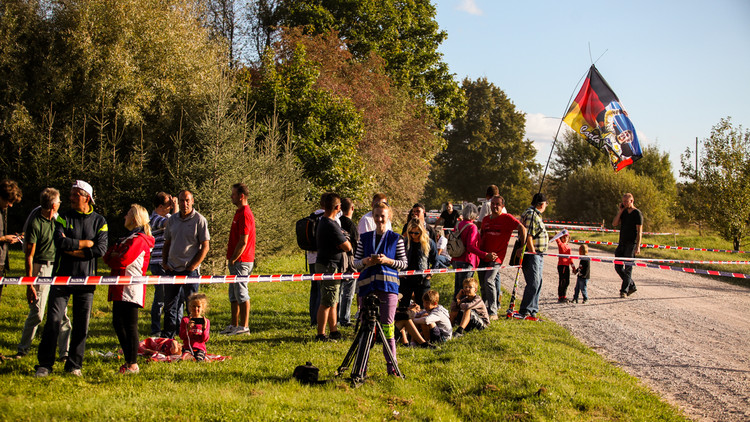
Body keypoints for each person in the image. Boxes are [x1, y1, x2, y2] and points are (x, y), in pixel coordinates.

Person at [35, 180, 108, 377]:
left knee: (81, 325)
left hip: (86, 282)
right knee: (53, 321)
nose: (71, 198)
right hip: (61, 279)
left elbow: (100, 249)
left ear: (87, 197)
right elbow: (59, 242)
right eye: (71, 194)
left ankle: (74, 365)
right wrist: (85, 243)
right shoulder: (63, 217)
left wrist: (74, 250)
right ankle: (45, 365)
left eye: (75, 194)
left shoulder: (100, 221)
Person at [12, 188, 71, 361]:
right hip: (40, 267)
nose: (61, 204)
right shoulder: (35, 222)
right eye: (59, 201)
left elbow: (68, 230)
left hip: (57, 268)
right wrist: (29, 283)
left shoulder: (58, 218)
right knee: (37, 312)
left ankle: (64, 353)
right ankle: (23, 350)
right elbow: (29, 256)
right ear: (53, 205)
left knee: (63, 313)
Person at [353, 202, 407, 375]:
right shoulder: (365, 238)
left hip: (388, 288)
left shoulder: (396, 238)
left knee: (388, 328)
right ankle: (361, 368)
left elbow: (404, 264)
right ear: (373, 216)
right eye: (376, 216)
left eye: (382, 216)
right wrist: (365, 262)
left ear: (388, 216)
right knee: (365, 329)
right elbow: (355, 264)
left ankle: (392, 368)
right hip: (367, 288)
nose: (379, 219)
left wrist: (388, 261)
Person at [103, 204, 155, 375]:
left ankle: (132, 364)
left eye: (127, 214)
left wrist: (116, 256)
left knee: (130, 326)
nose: (124, 217)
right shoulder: (125, 238)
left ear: (134, 218)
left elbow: (123, 259)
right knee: (118, 324)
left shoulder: (139, 239)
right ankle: (129, 361)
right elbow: (107, 257)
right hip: (119, 287)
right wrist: (115, 256)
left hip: (131, 288)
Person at [161, 190, 210, 339]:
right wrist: (164, 262)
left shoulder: (200, 220)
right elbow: (167, 243)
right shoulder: (172, 220)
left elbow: (205, 246)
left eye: (187, 200)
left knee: (193, 307)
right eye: (182, 200)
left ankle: (193, 336)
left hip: (190, 272)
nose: (185, 203)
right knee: (170, 306)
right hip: (172, 269)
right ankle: (169, 337)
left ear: (193, 201)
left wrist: (193, 266)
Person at [479, 195, 526, 319]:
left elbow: (522, 228)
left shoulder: (507, 218)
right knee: (483, 285)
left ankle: (493, 311)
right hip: (483, 255)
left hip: (497, 257)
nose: (494, 206)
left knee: (489, 281)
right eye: (492, 204)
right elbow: (481, 235)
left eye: (497, 204)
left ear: (502, 206)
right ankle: (485, 308)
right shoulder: (485, 219)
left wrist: (522, 246)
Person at [314, 193, 351, 341]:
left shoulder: (325, 221)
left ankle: (334, 331)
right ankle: (321, 334)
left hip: (329, 265)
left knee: (333, 301)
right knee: (326, 302)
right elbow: (347, 246)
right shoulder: (330, 224)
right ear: (337, 207)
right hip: (329, 266)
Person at [220, 183, 256, 336]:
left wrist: (234, 257)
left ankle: (244, 326)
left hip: (242, 260)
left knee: (241, 292)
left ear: (241, 196)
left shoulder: (245, 214)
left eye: (233, 194)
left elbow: (243, 240)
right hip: (235, 260)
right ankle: (234, 325)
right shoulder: (238, 212)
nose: (231, 197)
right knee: (233, 293)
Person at [451, 203, 493, 298]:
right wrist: (484, 254)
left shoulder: (458, 225)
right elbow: (470, 246)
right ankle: (463, 310)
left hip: (457, 259)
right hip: (467, 260)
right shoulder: (472, 227)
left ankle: (455, 308)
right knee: (466, 290)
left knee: (458, 288)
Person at [517, 193, 549, 320]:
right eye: (546, 204)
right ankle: (525, 310)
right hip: (533, 254)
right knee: (533, 282)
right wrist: (532, 252)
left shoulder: (536, 215)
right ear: (542, 204)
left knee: (538, 282)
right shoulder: (531, 214)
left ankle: (533, 310)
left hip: (539, 254)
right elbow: (528, 236)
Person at [148, 191, 174, 337]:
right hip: (158, 262)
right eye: (168, 204)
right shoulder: (154, 218)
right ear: (160, 206)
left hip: (169, 263)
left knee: (170, 299)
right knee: (160, 299)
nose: (170, 207)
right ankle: (156, 329)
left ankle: (169, 328)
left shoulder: (168, 216)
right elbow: (172, 223)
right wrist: (176, 207)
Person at [399, 219, 437, 309]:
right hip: (406, 278)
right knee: (403, 307)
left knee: (423, 307)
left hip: (422, 279)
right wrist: (400, 272)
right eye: (411, 232)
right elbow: (398, 258)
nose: (413, 235)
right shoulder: (405, 242)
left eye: (416, 233)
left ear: (421, 231)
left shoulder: (429, 242)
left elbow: (435, 261)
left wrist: (430, 275)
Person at [613, 193, 642, 298]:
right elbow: (615, 223)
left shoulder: (637, 213)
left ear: (632, 201)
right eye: (623, 201)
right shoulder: (623, 212)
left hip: (631, 244)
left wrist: (638, 246)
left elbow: (639, 231)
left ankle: (624, 290)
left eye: (627, 201)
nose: (625, 203)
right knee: (618, 266)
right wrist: (620, 211)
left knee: (628, 267)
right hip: (621, 243)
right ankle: (632, 285)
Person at [0, 179, 22, 306]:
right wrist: (3, 239)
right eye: (9, 202)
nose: (11, 205)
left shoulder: (3, 211)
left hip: (1, 264)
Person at [337, 197, 359, 327]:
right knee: (348, 292)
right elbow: (355, 244)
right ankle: (344, 318)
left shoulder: (337, 222)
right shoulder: (350, 225)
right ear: (352, 209)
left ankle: (337, 317)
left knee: (339, 291)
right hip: (349, 261)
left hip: (338, 260)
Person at [179, 292, 210, 361]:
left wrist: (204, 328)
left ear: (203, 308)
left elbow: (205, 339)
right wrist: (188, 328)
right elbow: (182, 336)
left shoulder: (206, 321)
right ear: (189, 307)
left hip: (200, 348)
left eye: (198, 306)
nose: (196, 309)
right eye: (193, 306)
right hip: (188, 347)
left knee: (199, 359)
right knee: (184, 358)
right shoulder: (185, 320)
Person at [555, 231, 574, 303]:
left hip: (567, 265)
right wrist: (557, 234)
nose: (565, 238)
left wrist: (573, 266)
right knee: (562, 281)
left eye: (567, 237)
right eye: (564, 237)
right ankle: (560, 296)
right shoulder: (561, 244)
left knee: (567, 282)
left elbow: (570, 257)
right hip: (561, 265)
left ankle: (564, 295)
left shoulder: (569, 247)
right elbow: (557, 240)